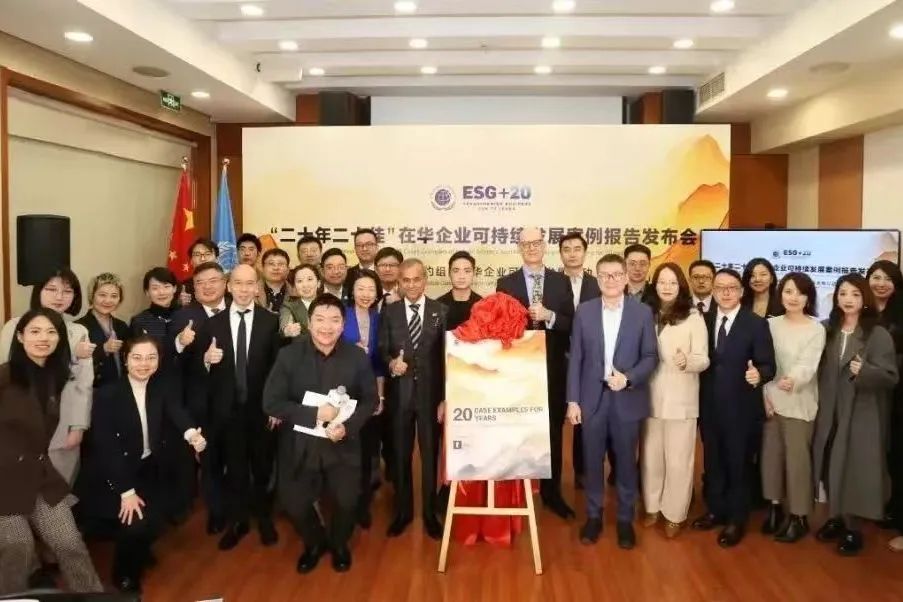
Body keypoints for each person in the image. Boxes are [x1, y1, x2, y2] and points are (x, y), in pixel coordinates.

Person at [77, 336, 206, 593]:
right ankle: (124, 573)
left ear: (159, 361)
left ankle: (141, 551)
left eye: (151, 358)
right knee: (134, 523)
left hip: (149, 465)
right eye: (137, 357)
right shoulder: (108, 394)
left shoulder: (162, 386)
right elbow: (106, 447)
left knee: (159, 516)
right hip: (117, 471)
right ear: (125, 359)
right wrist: (126, 491)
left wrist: (192, 434)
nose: (144, 364)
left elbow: (176, 411)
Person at [263, 294, 377, 573]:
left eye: (335, 320)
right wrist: (314, 413)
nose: (327, 327)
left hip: (342, 443)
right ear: (309, 322)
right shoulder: (289, 355)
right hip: (299, 444)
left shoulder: (357, 356)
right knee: (294, 502)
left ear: (343, 325)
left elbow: (370, 400)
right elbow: (271, 402)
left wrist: (347, 427)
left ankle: (339, 543)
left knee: (347, 501)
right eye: (320, 319)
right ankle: (314, 543)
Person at [0, 308, 103, 594]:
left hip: (39, 474)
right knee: (17, 547)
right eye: (34, 331)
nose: (43, 338)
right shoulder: (5, 376)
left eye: (51, 332)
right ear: (20, 337)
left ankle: (92, 596)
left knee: (69, 542)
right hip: (4, 478)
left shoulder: (54, 376)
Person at [566, 254, 657, 549]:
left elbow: (650, 356)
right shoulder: (585, 311)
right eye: (604, 275)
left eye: (617, 274)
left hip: (626, 398)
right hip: (592, 399)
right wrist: (573, 400)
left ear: (626, 278)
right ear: (597, 279)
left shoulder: (642, 313)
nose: (611, 280)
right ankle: (593, 516)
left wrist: (629, 378)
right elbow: (576, 358)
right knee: (592, 462)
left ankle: (625, 520)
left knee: (626, 464)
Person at [193, 264, 282, 551]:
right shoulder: (212, 324)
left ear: (257, 287)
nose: (244, 289)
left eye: (249, 283)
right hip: (227, 412)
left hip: (262, 410)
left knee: (263, 467)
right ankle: (239, 521)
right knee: (235, 469)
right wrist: (206, 361)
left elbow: (277, 370)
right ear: (229, 286)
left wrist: (275, 407)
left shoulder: (271, 321)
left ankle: (264, 518)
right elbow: (196, 372)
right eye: (238, 283)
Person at [813, 273, 898, 556]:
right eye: (843, 293)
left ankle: (853, 527)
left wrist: (866, 372)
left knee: (854, 469)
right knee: (829, 462)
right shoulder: (827, 329)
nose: (848, 299)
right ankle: (835, 517)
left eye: (855, 294)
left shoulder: (877, 334)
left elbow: (890, 377)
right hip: (829, 409)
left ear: (865, 299)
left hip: (860, 413)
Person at [692, 268, 776, 548]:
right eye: (719, 287)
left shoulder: (756, 324)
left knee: (738, 464)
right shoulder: (703, 320)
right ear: (713, 291)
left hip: (741, 409)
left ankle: (737, 519)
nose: (725, 292)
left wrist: (758, 374)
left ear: (741, 291)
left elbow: (768, 364)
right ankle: (716, 510)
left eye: (731, 287)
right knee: (713, 461)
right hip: (709, 406)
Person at [496, 227, 575, 519]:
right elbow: (499, 328)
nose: (531, 248)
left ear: (544, 245)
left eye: (536, 242)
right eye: (525, 243)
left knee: (552, 431)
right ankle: (517, 493)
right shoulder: (506, 283)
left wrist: (549, 316)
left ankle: (552, 493)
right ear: (519, 248)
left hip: (553, 370)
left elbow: (571, 323)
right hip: (519, 372)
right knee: (519, 431)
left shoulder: (561, 281)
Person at [0, 268, 94, 485]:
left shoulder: (79, 332)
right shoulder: (15, 326)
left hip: (63, 424)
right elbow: (7, 372)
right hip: (18, 424)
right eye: (51, 289)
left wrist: (78, 426)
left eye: (67, 291)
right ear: (38, 291)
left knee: (58, 488)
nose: (59, 297)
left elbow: (83, 384)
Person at [379, 258, 447, 539]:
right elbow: (381, 349)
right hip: (400, 396)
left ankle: (430, 514)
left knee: (430, 455)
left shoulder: (440, 311)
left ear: (425, 280)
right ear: (399, 283)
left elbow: (446, 358)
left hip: (431, 397)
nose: (411, 285)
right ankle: (403, 512)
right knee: (400, 454)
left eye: (416, 279)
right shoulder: (390, 312)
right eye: (405, 280)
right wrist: (391, 363)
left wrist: (445, 398)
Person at [641, 262, 709, 539]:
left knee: (679, 461)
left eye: (672, 282)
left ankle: (674, 514)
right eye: (662, 282)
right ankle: (652, 507)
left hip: (681, 398)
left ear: (681, 286)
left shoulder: (693, 316)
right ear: (654, 285)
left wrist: (687, 361)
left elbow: (703, 358)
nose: (666, 287)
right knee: (651, 458)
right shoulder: (646, 314)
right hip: (649, 397)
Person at [760, 272, 825, 543]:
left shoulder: (815, 329)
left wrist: (793, 379)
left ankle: (799, 516)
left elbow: (808, 364)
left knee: (798, 462)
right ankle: (774, 507)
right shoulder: (769, 325)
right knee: (771, 458)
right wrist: (765, 394)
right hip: (770, 402)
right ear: (780, 294)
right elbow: (761, 361)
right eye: (788, 291)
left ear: (808, 297)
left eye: (800, 292)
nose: (793, 297)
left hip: (799, 403)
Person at [170, 262, 229, 530]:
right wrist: (181, 343)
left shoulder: (239, 309)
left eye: (213, 280)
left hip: (237, 399)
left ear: (225, 283)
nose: (206, 287)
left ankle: (240, 505)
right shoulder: (183, 317)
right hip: (202, 402)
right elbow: (171, 363)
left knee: (237, 457)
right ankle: (217, 510)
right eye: (200, 283)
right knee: (210, 458)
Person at [341, 270, 385, 528]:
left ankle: (363, 503)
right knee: (346, 449)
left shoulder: (380, 319)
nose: (366, 294)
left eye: (371, 289)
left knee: (368, 449)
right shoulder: (341, 315)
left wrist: (380, 395)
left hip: (369, 393)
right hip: (342, 392)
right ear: (352, 290)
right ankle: (345, 502)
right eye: (361, 288)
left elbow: (379, 363)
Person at [559, 232, 601, 490]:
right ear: (560, 254)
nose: (572, 253)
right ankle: (551, 477)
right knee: (557, 417)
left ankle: (583, 472)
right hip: (558, 359)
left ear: (585, 252)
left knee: (586, 419)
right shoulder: (552, 283)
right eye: (567, 249)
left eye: (577, 248)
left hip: (590, 363)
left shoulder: (598, 285)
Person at [866, 260, 903, 549]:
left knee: (899, 456)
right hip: (869, 393)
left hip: (898, 394)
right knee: (881, 454)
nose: (880, 283)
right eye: (875, 277)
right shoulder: (862, 310)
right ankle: (886, 506)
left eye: (887, 278)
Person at [77, 272, 130, 389]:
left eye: (114, 296)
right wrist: (103, 349)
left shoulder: (122, 326)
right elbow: (73, 363)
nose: (108, 300)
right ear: (92, 296)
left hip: (121, 388)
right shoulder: (79, 326)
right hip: (92, 390)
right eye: (102, 295)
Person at [129, 267, 180, 344]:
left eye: (166, 286)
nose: (161, 292)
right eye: (155, 288)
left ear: (174, 288)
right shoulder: (139, 321)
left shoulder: (186, 315)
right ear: (147, 292)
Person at [438, 251, 483, 331]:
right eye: (456, 271)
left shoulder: (482, 305)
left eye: (467, 271)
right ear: (449, 273)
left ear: (474, 273)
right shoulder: (438, 306)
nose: (461, 276)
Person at [280, 264, 321, 340]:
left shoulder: (330, 303)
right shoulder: (289, 305)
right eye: (299, 281)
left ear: (318, 283)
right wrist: (287, 330)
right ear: (295, 286)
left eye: (309, 279)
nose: (305, 285)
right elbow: (285, 321)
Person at [181, 237, 219, 306]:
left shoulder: (228, 284)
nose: (203, 259)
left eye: (207, 254)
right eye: (197, 255)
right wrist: (179, 304)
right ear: (191, 261)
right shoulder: (184, 287)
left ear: (217, 259)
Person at [258, 248, 291, 313]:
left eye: (280, 264)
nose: (276, 268)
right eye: (271, 264)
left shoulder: (297, 293)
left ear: (288, 270)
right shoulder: (251, 292)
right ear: (262, 268)